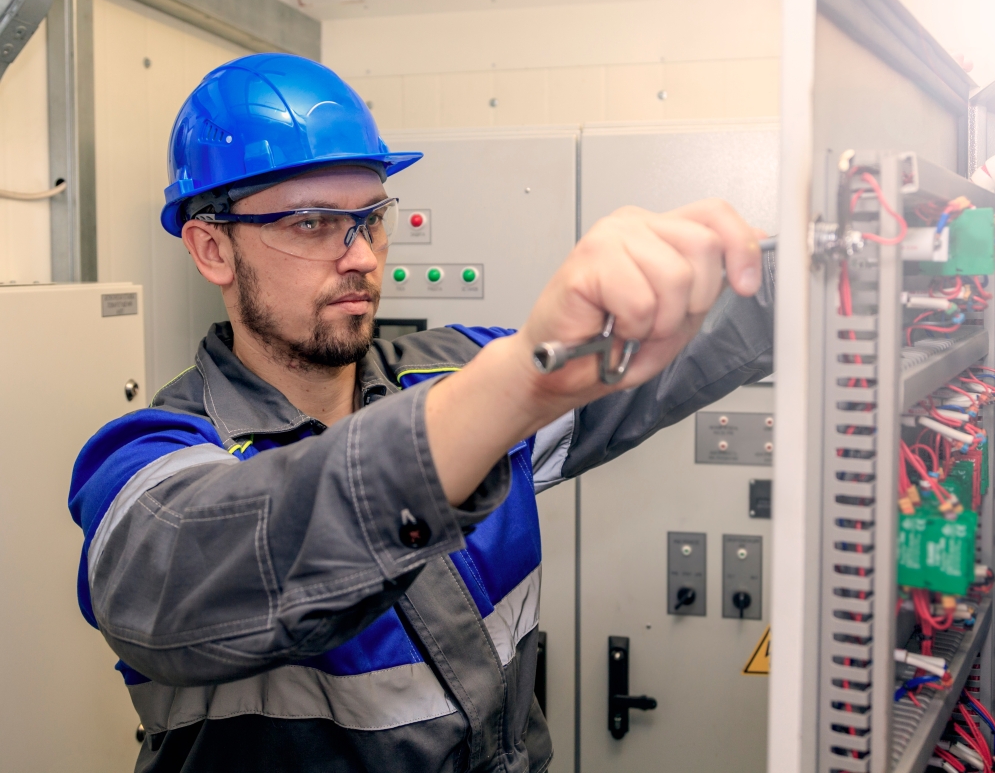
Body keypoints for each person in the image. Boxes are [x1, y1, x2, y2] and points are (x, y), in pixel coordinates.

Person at [69, 53, 774, 773]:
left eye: (370, 220)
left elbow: (665, 349)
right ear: (212, 247)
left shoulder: (456, 373)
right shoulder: (159, 456)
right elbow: (177, 567)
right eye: (313, 223)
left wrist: (807, 276)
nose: (362, 259)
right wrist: (518, 381)